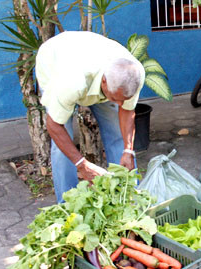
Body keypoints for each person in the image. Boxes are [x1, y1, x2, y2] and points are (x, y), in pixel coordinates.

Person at [35, 31, 145, 203]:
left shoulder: (134, 73)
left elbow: (127, 110)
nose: (120, 103)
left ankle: (127, 198)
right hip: (55, 60)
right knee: (62, 147)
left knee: (118, 135)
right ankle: (67, 206)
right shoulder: (71, 82)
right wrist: (82, 165)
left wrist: (128, 149)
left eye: (124, 99)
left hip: (93, 58)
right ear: (104, 82)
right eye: (116, 98)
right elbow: (54, 126)